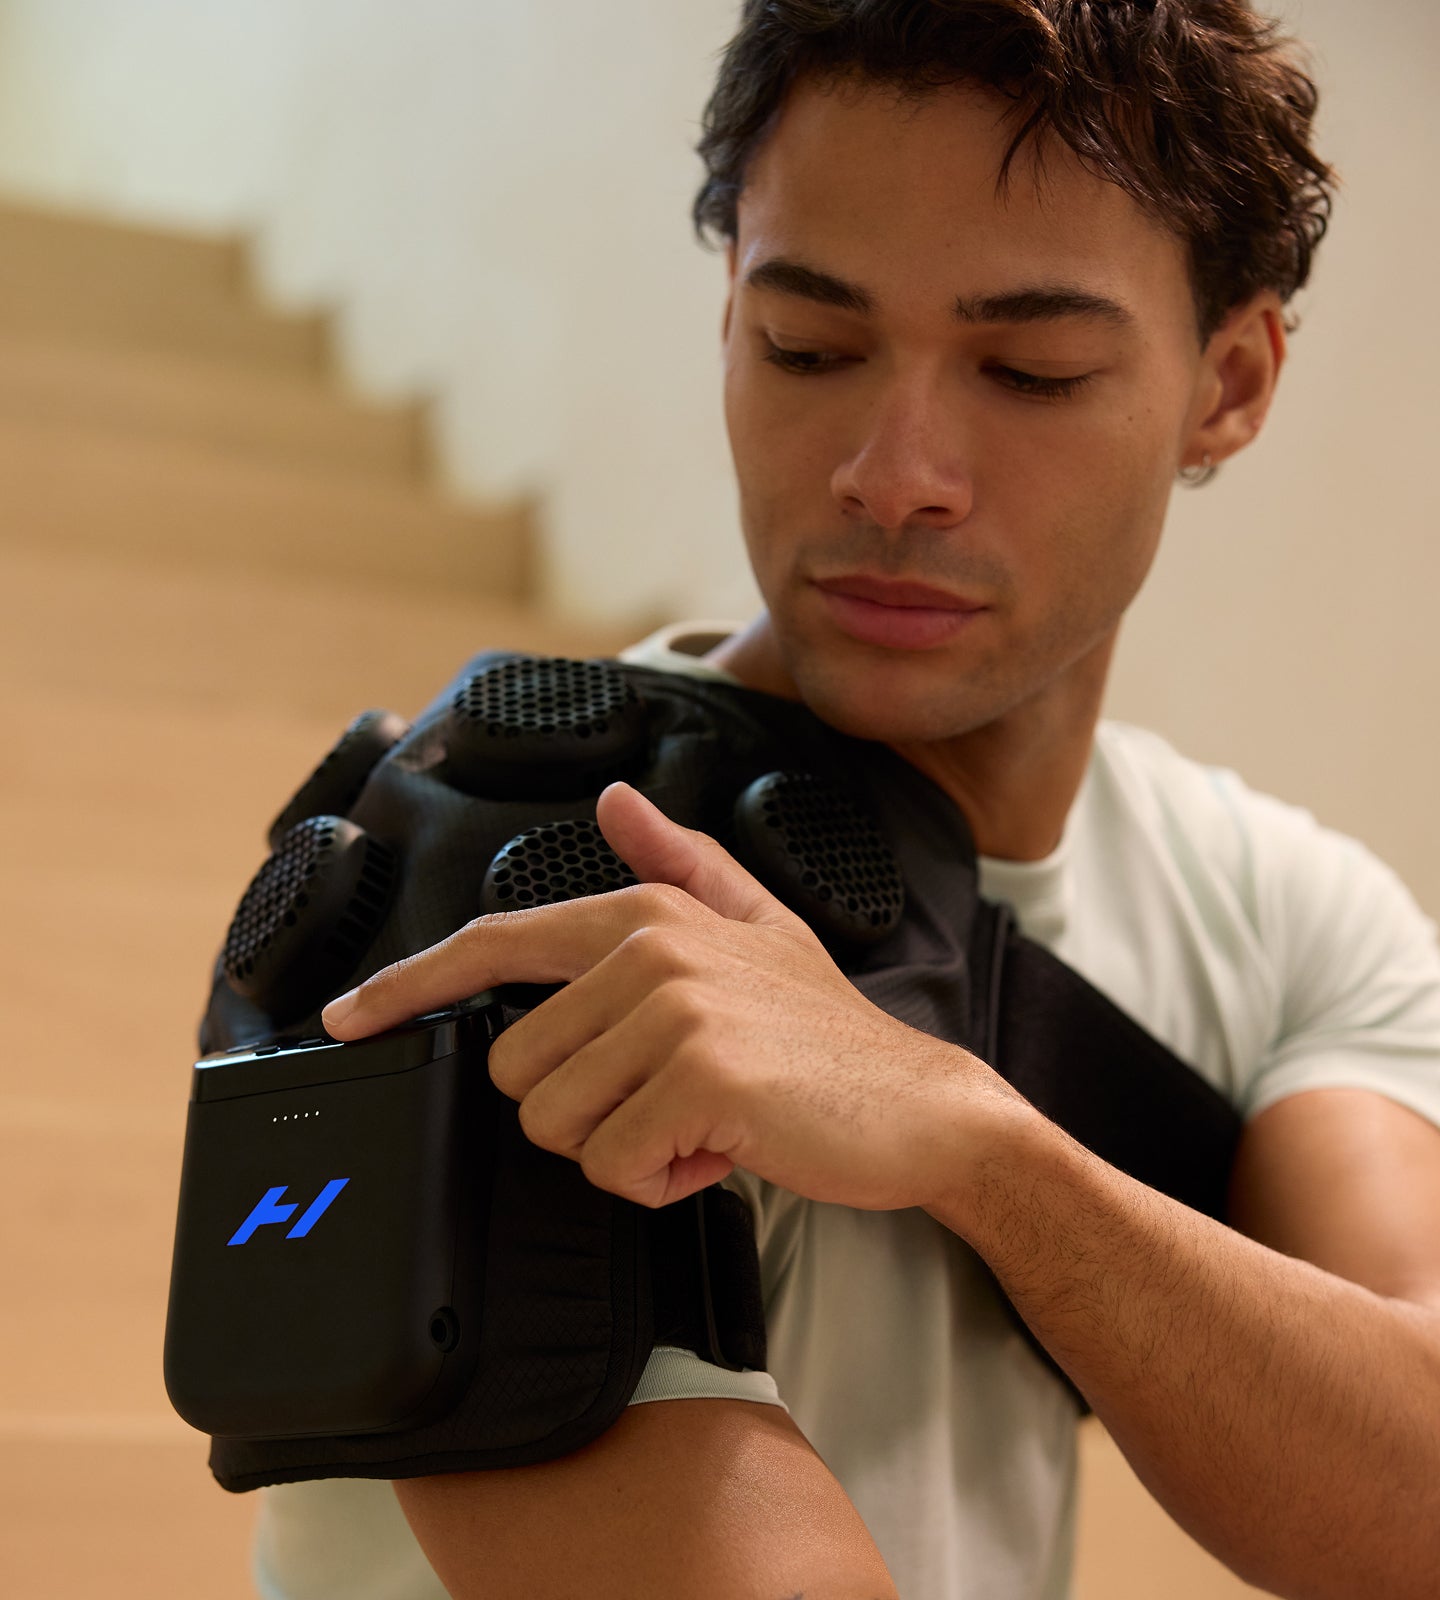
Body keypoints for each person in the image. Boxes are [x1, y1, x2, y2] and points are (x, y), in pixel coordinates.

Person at [253, 2, 1440, 1597]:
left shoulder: (1289, 909)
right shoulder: (511, 881)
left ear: (1227, 382)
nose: (895, 473)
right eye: (809, 345)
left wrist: (982, 1151)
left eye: (1030, 369)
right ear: (730, 317)